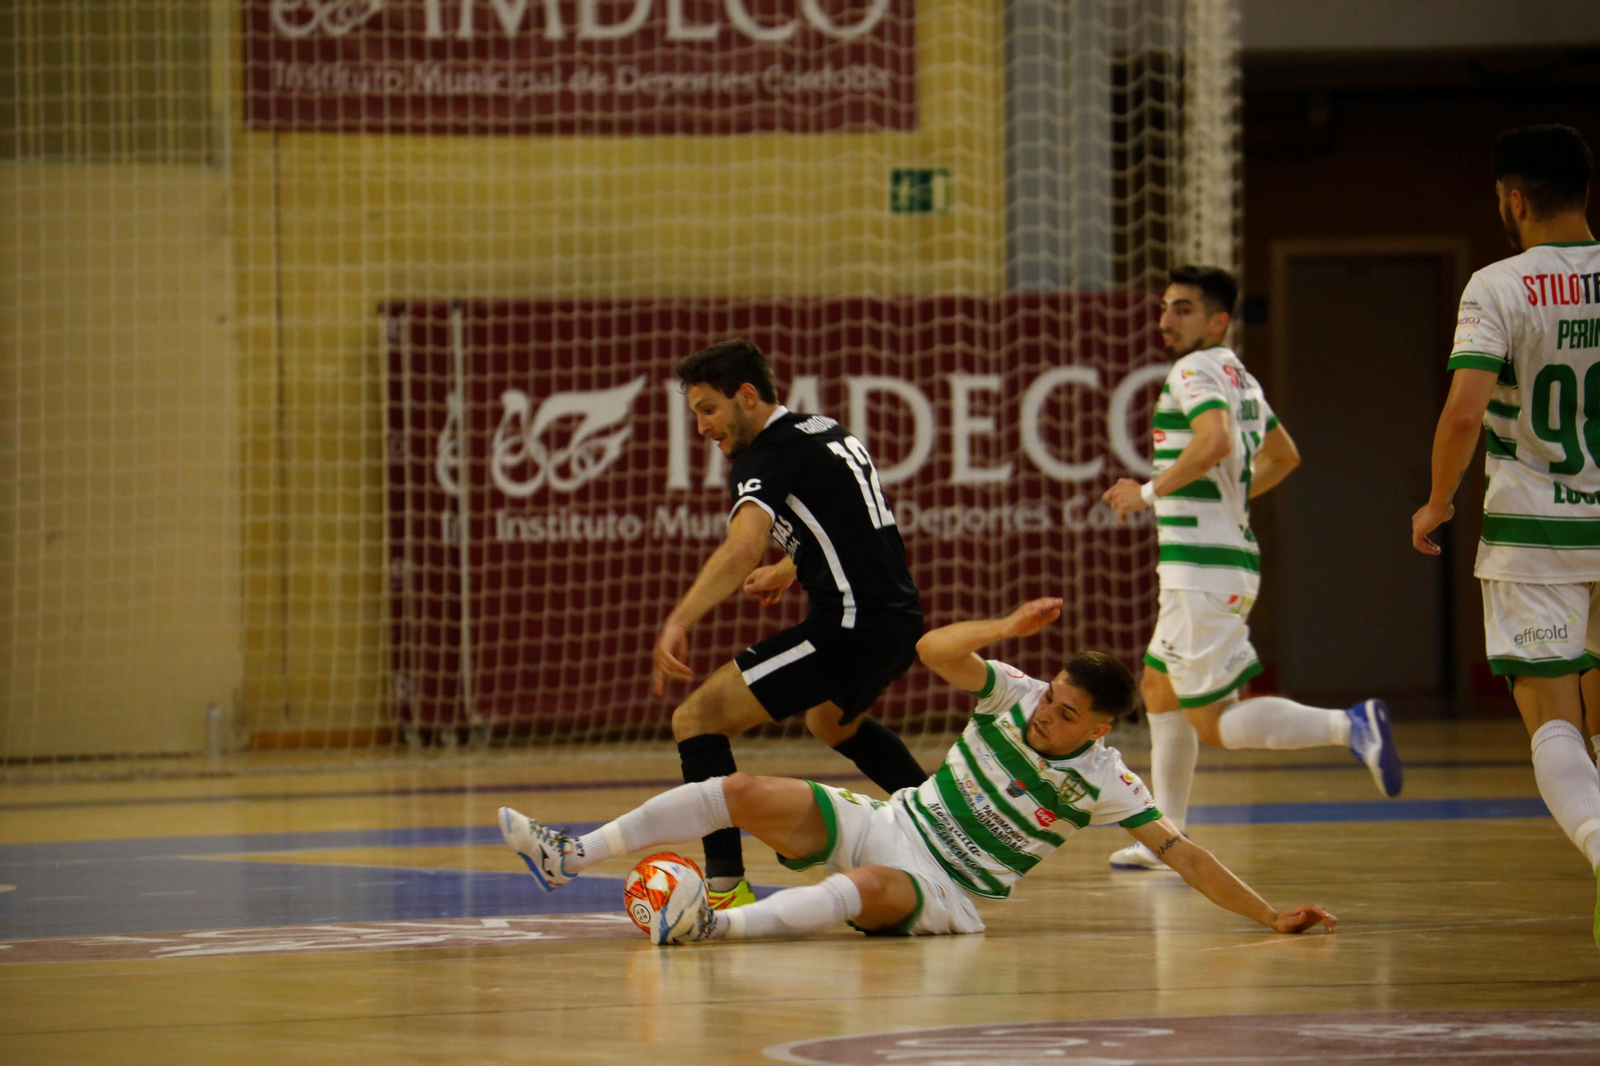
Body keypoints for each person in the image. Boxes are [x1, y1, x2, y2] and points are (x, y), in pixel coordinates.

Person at [499, 598, 1338, 944]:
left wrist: (1267, 915)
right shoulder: (1012, 695)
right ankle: (571, 854)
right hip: (891, 820)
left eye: (1068, 713)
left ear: (1103, 727)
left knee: (868, 890)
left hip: (944, 892)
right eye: (1052, 697)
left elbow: (1184, 854)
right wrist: (1008, 626)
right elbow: (935, 649)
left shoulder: (1108, 781)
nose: (1049, 714)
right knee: (744, 790)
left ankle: (716, 930)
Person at [1101, 265, 1403, 871]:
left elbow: (1212, 442)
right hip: (1216, 562)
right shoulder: (1240, 375)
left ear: (1218, 320)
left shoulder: (1194, 370)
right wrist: (1225, 499)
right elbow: (1283, 456)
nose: (1165, 319)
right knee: (1159, 688)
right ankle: (1170, 835)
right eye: (1164, 307)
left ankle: (1352, 727)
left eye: (1182, 308)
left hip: (1203, 572)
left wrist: (1150, 493)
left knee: (1211, 721)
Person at [650, 340, 929, 910]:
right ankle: (946, 830)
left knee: (697, 718)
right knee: (832, 724)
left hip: (849, 628)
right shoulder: (823, 428)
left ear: (747, 397)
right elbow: (852, 521)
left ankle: (725, 888)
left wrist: (680, 618)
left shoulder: (765, 455)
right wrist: (791, 565)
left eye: (708, 409)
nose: (702, 428)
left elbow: (741, 547)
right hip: (897, 622)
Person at [1411, 123, 1600, 948]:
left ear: (1514, 200)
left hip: (1535, 534)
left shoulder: (1496, 286)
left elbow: (1461, 411)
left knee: (1554, 723)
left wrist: (1436, 500)